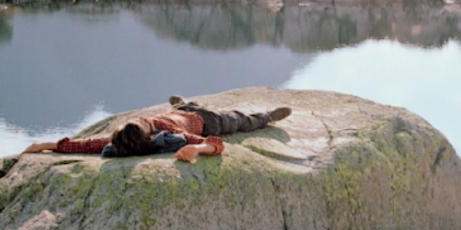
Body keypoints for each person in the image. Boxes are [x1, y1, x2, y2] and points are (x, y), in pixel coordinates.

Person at [22, 96, 292, 163]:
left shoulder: (167, 133)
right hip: (183, 113)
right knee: (183, 106)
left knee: (238, 120)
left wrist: (197, 147)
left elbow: (216, 142)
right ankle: (180, 102)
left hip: (204, 118)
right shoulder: (131, 136)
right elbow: (86, 144)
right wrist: (46, 145)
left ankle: (266, 116)